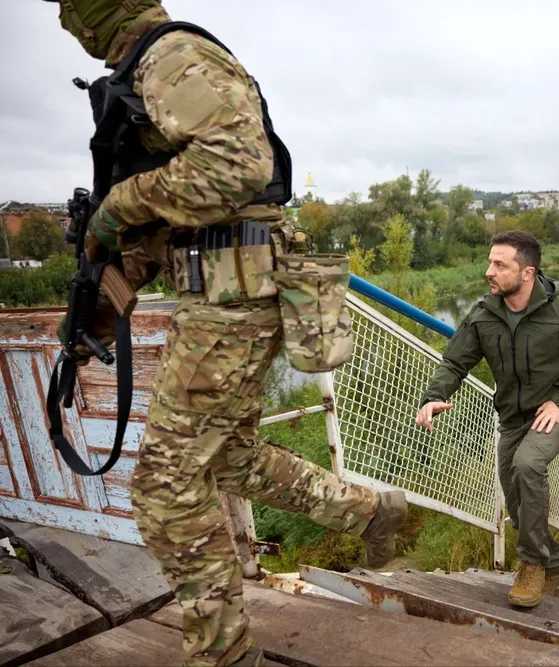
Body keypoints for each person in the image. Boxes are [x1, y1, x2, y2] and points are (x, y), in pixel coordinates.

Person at [47, 2, 407, 666]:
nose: (66, 21)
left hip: (233, 297)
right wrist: (97, 301)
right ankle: (370, 511)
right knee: (231, 460)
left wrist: (117, 207)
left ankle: (224, 653)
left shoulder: (169, 54)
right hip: (221, 293)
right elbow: (164, 222)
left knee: (163, 486)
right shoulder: (140, 70)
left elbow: (238, 163)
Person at [415, 230, 559, 609]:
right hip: (511, 416)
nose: (489, 271)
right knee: (516, 495)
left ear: (527, 272)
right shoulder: (484, 313)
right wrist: (435, 396)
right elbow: (456, 361)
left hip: (557, 411)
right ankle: (555, 563)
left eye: (499, 264)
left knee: (527, 466)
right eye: (490, 262)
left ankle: (533, 564)